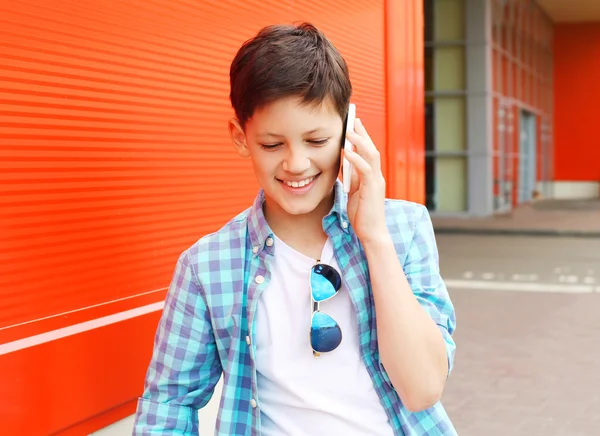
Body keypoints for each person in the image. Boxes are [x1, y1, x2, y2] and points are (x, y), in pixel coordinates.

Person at [133, 22, 457, 436]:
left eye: (317, 140)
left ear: (348, 128)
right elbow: (169, 402)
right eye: (272, 144)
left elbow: (423, 388)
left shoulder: (404, 228)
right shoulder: (207, 265)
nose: (296, 164)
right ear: (241, 137)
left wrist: (373, 237)